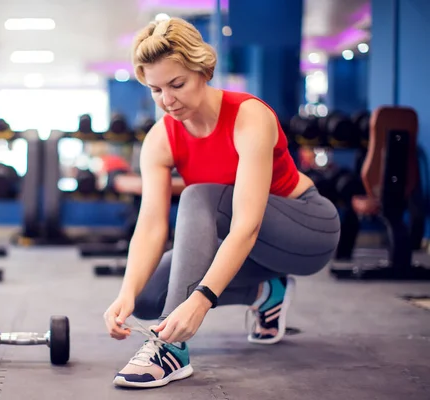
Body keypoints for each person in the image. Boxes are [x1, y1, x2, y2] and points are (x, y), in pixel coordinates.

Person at [103, 17, 341, 389]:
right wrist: (125, 293)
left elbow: (247, 223)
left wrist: (200, 301)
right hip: (251, 248)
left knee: (199, 195)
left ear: (204, 70)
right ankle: (267, 291)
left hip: (307, 231)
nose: (167, 101)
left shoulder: (249, 117)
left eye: (177, 84)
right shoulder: (159, 139)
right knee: (148, 297)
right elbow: (150, 225)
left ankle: (171, 349)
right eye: (156, 90)